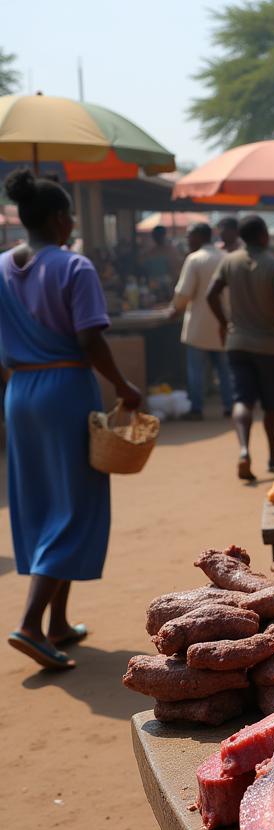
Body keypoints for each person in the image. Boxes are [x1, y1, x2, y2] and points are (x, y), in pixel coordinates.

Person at [0, 168, 141, 670]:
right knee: (75, 503)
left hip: (19, 392)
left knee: (41, 500)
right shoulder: (74, 267)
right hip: (64, 387)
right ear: (60, 219)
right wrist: (124, 386)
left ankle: (59, 621)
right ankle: (31, 623)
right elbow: (90, 339)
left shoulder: (0, 267)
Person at [207, 215, 274, 481]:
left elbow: (211, 294)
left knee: (242, 400)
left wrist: (225, 322)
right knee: (271, 405)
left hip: (237, 342)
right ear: (264, 235)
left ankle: (244, 451)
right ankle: (273, 455)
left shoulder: (229, 261)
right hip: (270, 343)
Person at [168, 222, 232, 420]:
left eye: (189, 236)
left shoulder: (194, 260)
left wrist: (175, 309)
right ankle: (229, 406)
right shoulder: (226, 258)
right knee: (225, 370)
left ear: (199, 237)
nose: (187, 240)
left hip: (198, 325)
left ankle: (196, 408)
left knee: (195, 371)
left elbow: (184, 292)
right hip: (223, 324)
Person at [141, 225, 183, 301]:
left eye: (159, 236)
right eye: (156, 236)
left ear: (164, 235)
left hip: (169, 290)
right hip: (153, 292)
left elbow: (177, 271)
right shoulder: (150, 252)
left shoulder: (172, 251)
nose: (157, 238)